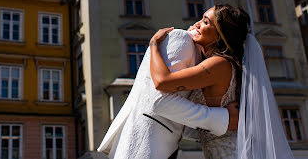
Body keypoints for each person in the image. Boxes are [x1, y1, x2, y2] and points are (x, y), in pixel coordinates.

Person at [150, 4, 294, 159]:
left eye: (206, 22)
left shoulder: (219, 64)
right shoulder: (222, 64)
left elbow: (162, 82)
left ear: (220, 35)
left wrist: (154, 45)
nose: (197, 24)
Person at [98, 28, 239, 159]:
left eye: (206, 22)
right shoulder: (181, 38)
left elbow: (181, 123)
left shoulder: (213, 63)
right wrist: (223, 119)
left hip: (163, 146)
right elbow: (159, 100)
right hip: (144, 142)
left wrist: (219, 128)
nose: (197, 23)